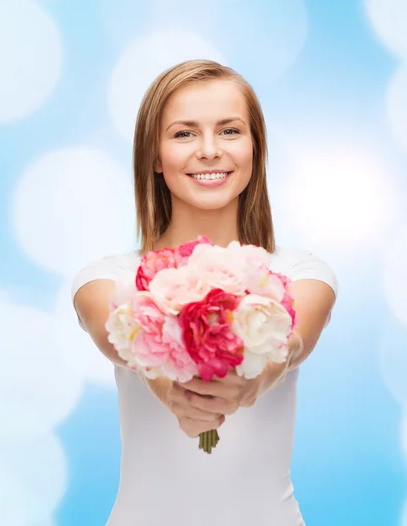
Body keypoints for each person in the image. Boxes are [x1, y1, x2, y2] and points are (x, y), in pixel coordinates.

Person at [71, 59, 338, 526]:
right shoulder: (106, 277)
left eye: (230, 131)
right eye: (184, 134)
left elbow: (295, 339)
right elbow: (117, 333)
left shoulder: (298, 272)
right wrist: (169, 388)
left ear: (255, 149)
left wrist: (257, 379)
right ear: (154, 156)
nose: (210, 151)